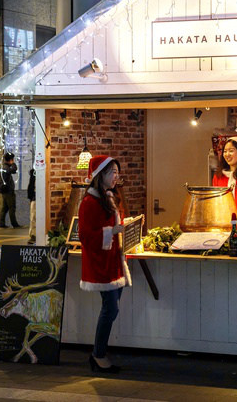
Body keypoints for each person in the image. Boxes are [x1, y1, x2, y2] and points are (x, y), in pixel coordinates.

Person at [79, 155, 131, 373]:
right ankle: (98, 355)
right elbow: (85, 236)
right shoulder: (89, 202)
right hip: (100, 264)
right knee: (110, 309)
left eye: (117, 172)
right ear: (100, 175)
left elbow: (109, 225)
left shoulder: (108, 197)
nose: (116, 176)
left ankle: (99, 353)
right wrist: (113, 231)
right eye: (112, 172)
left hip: (112, 263)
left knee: (111, 309)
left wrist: (124, 224)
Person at [0, 151, 21, 229]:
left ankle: (2, 223)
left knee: (5, 207)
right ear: (10, 160)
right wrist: (13, 163)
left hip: (5, 190)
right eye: (12, 159)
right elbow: (14, 170)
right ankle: (14, 224)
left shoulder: (4, 167)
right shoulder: (6, 168)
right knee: (11, 207)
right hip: (8, 191)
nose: (13, 161)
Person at [27, 168, 36, 244]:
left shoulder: (34, 172)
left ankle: (33, 235)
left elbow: (30, 186)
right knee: (33, 217)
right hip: (35, 198)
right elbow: (31, 186)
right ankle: (33, 235)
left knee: (33, 217)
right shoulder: (34, 172)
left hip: (34, 198)